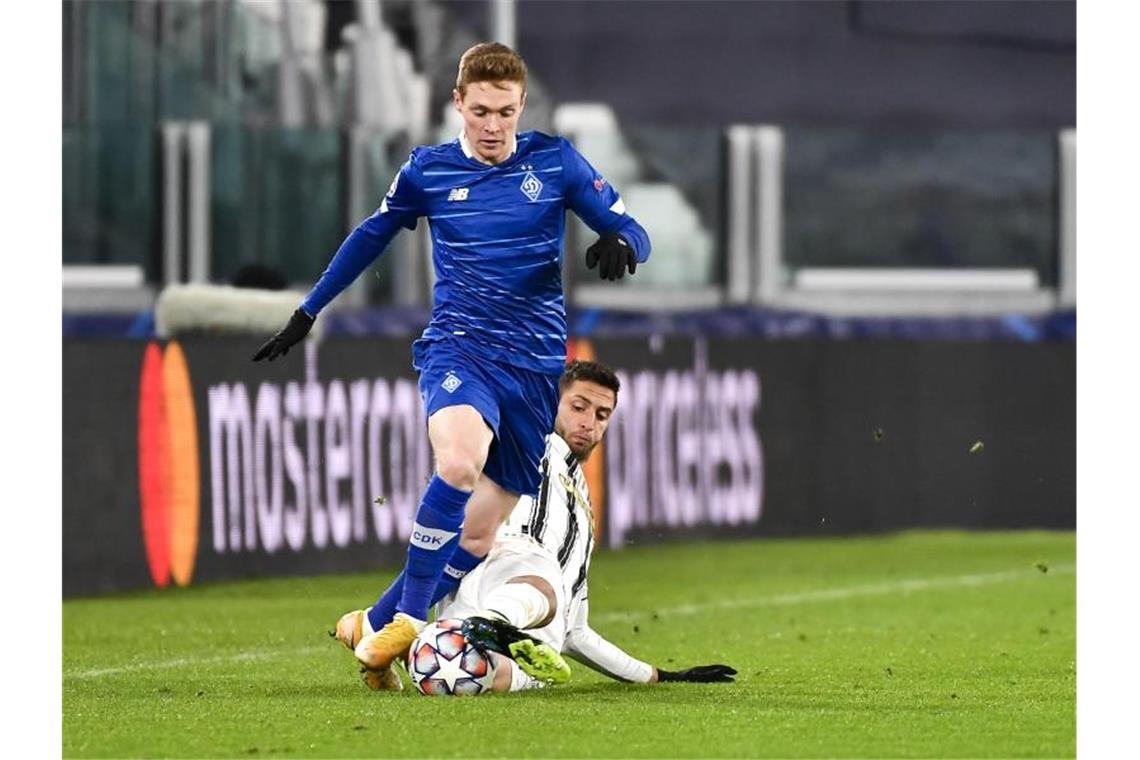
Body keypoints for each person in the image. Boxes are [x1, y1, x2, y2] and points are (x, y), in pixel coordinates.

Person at [254, 42, 651, 691]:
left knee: (477, 535)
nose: (494, 125)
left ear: (521, 106)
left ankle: (371, 625)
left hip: (533, 367)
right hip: (459, 348)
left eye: (506, 111)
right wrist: (308, 311)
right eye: (482, 111)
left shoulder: (554, 162)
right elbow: (369, 236)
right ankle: (409, 618)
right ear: (458, 104)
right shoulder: (428, 172)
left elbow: (634, 227)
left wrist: (620, 240)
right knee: (459, 462)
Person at [343, 360, 737, 692]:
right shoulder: (531, 443)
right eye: (578, 407)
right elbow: (467, 471)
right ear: (553, 402)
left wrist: (658, 676)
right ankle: (485, 625)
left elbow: (575, 632)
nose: (589, 423)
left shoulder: (585, 511)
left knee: (482, 678)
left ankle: (447, 642)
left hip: (519, 629)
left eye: (602, 416)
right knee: (540, 570)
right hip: (498, 563)